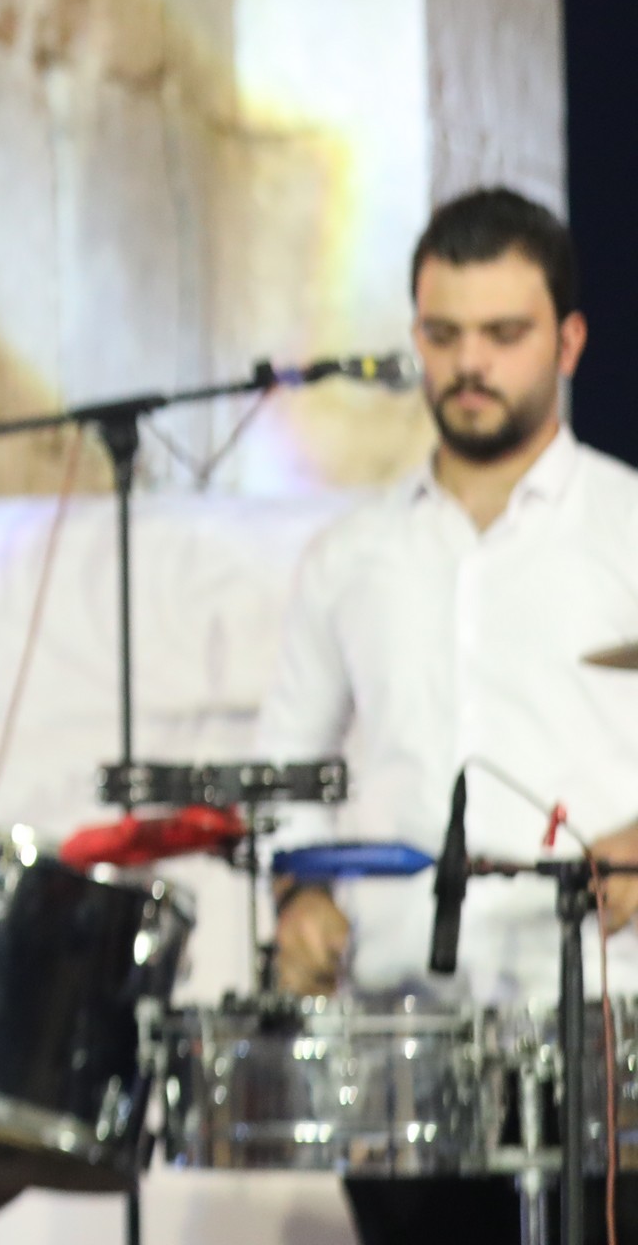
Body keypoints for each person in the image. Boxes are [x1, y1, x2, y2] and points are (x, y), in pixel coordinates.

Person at [258, 189, 638, 1243]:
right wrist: (298, 894)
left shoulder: (629, 528)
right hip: (404, 1055)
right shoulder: (349, 556)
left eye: (504, 334)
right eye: (444, 334)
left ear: (569, 341)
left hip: (606, 1041)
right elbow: (284, 771)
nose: (471, 363)